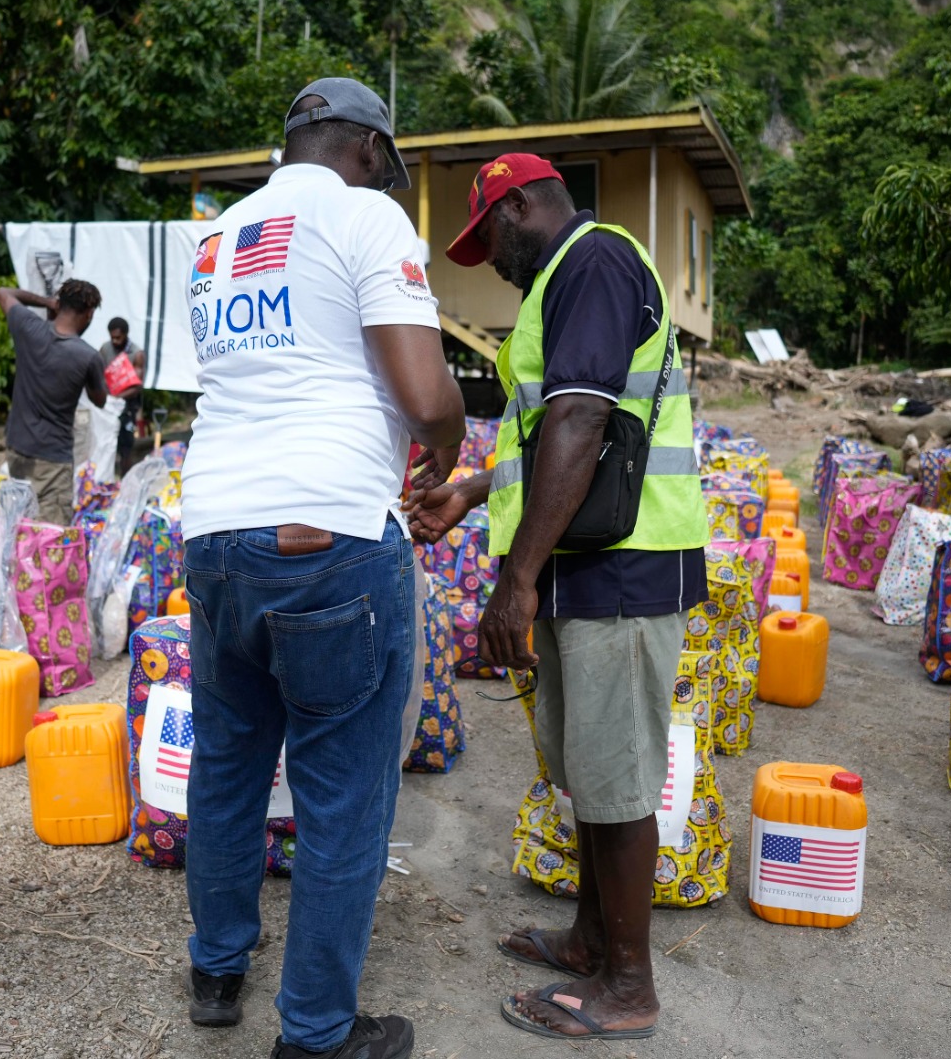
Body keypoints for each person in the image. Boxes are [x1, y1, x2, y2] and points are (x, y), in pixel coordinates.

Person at [180, 78, 464, 1059]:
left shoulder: (216, 239)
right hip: (329, 534)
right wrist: (447, 445)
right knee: (342, 792)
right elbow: (424, 393)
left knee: (227, 765)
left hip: (213, 531)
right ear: (373, 150)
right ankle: (315, 1034)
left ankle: (217, 967)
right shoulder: (366, 214)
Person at [408, 155, 707, 1043]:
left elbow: (580, 423)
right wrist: (468, 495)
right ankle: (589, 941)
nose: (490, 261)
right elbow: (545, 432)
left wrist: (517, 579)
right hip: (589, 562)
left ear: (523, 203)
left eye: (490, 236)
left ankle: (629, 986)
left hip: (622, 566)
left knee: (615, 783)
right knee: (589, 772)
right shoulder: (560, 287)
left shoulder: (595, 262)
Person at [0, 279, 107, 523]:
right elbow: (100, 399)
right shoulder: (88, 357)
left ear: (59, 305)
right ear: (88, 314)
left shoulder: (28, 328)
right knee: (49, 540)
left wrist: (46, 302)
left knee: (19, 525)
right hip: (52, 460)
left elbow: (3, 292)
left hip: (17, 449)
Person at [97, 317, 145, 473]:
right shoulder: (105, 349)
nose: (115, 341)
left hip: (127, 407)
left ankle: (124, 480)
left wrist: (117, 398)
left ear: (126, 334)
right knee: (104, 444)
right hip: (107, 405)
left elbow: (137, 385)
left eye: (118, 337)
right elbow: (98, 373)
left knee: (126, 446)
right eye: (112, 337)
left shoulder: (136, 354)